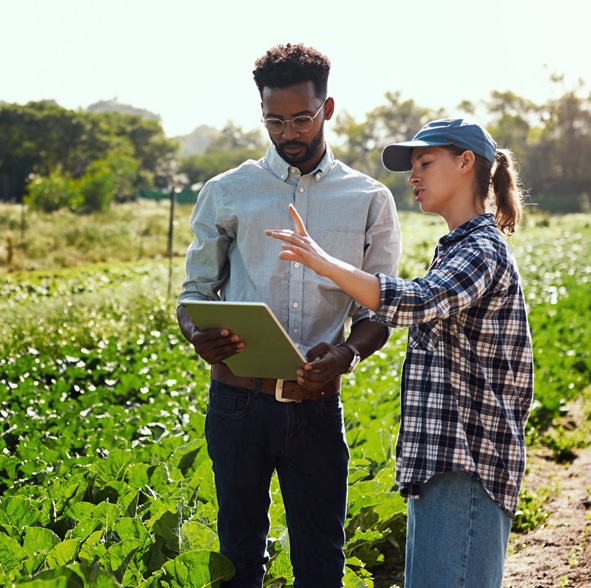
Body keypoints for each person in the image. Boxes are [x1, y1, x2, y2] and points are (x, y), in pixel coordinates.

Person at [266, 118, 534, 588]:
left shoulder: (481, 248)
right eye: (412, 167)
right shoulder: (457, 246)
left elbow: (417, 301)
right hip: (442, 463)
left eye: (425, 163)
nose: (413, 176)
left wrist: (324, 262)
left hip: (467, 463)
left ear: (466, 162)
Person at [176, 43, 401, 587]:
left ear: (327, 109)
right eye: (274, 121)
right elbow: (194, 296)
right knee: (237, 559)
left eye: (301, 118)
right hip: (236, 405)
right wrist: (196, 335)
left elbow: (381, 308)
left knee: (322, 560)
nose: (288, 133)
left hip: (317, 407)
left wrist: (348, 353)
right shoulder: (226, 191)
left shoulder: (369, 198)